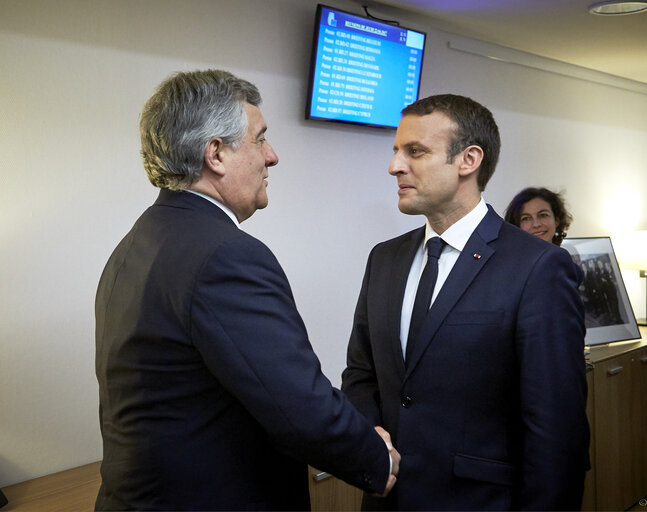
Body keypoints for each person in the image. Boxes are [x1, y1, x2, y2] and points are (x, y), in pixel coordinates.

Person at [95, 69, 399, 511]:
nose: (272, 156)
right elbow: (295, 402)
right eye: (260, 139)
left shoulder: (137, 244)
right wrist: (374, 457)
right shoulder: (225, 255)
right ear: (215, 154)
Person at [341, 94, 589, 511]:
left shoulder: (538, 267)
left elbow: (556, 428)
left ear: (468, 160)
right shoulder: (384, 258)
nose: (395, 166)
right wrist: (372, 436)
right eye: (396, 151)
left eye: (415, 152)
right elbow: (362, 373)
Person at [504, 186, 573, 245]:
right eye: (526, 218)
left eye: (543, 215)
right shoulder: (507, 259)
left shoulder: (565, 258)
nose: (536, 224)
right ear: (516, 226)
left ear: (556, 221)